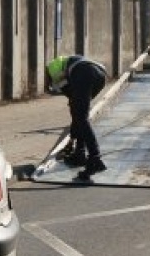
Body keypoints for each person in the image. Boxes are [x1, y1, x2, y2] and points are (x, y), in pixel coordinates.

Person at [45, 54, 108, 182]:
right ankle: (79, 153)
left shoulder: (53, 70)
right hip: (99, 76)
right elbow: (73, 105)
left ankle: (95, 158)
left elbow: (68, 93)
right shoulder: (64, 64)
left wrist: (72, 137)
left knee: (80, 116)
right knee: (79, 114)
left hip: (85, 73)